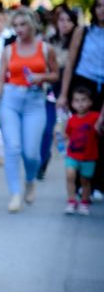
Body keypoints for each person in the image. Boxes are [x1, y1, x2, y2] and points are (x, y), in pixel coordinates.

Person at [0, 7, 59, 212]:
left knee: (31, 153)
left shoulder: (45, 49)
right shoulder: (9, 49)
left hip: (35, 101)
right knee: (12, 147)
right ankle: (15, 194)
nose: (19, 29)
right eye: (16, 25)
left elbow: (55, 74)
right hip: (10, 100)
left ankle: (30, 180)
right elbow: (1, 79)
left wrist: (41, 77)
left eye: (23, 25)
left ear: (32, 25)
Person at [59, 0, 104, 194]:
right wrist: (63, 94)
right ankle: (78, 182)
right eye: (99, 6)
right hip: (83, 83)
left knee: (99, 132)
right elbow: (70, 63)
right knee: (81, 132)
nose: (102, 10)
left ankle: (96, 182)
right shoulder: (83, 31)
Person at [40, 6, 78, 178]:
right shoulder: (49, 41)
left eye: (68, 20)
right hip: (52, 88)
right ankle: (43, 160)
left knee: (76, 128)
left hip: (74, 89)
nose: (64, 24)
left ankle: (79, 171)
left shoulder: (78, 42)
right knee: (47, 127)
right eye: (61, 20)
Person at [64, 86, 102, 215]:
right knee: (70, 176)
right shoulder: (71, 120)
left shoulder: (96, 117)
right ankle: (71, 200)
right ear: (72, 103)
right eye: (77, 100)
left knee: (85, 180)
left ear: (90, 102)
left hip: (88, 157)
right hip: (73, 155)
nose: (80, 103)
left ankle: (84, 202)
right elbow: (67, 135)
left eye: (83, 100)